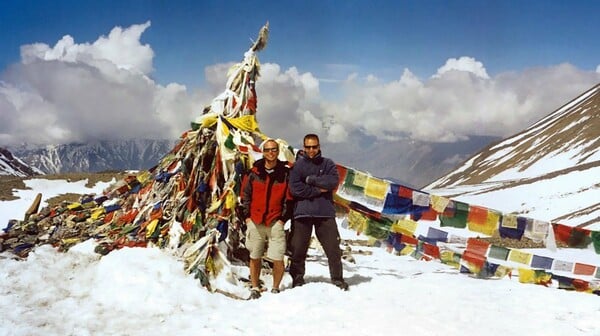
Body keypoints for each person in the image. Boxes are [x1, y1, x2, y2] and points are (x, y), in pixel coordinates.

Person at [288, 134, 348, 290]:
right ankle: (298, 279)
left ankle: (337, 279)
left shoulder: (328, 164)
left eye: (314, 147)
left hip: (325, 213)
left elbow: (332, 182)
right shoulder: (297, 167)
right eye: (308, 147)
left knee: (333, 249)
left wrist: (309, 180)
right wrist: (318, 190)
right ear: (303, 147)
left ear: (319, 147)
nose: (311, 150)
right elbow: (295, 189)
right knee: (298, 249)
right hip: (302, 212)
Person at [240, 139, 291, 299]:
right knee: (255, 256)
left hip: (275, 220)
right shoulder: (254, 173)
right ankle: (255, 286)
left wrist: (283, 219)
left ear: (278, 151)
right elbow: (244, 196)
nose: (271, 153)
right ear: (263, 152)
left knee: (278, 256)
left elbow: (289, 199)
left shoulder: (285, 174)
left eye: (274, 150)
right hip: (255, 220)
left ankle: (275, 287)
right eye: (268, 150)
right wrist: (247, 217)